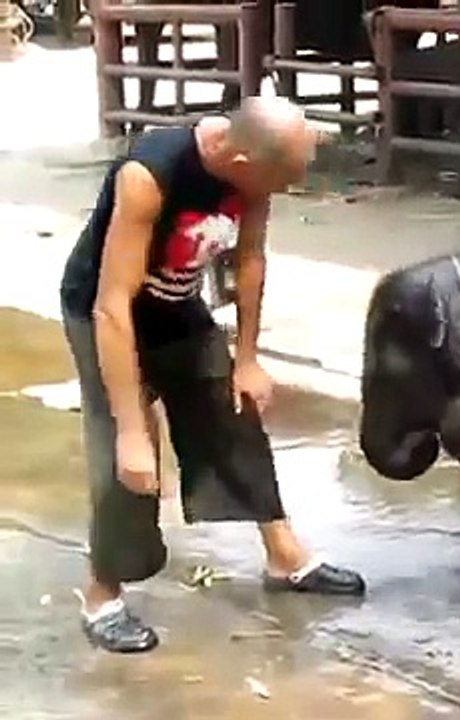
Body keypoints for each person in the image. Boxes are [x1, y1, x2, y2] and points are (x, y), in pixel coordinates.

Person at [59, 96, 366, 654]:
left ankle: (284, 557)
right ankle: (101, 596)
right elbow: (111, 307)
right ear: (243, 163)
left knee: (234, 411)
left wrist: (246, 360)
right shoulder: (150, 175)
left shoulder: (254, 174)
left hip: (178, 308)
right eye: (281, 180)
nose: (284, 191)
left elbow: (249, 260)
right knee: (126, 458)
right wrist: (132, 426)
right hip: (106, 314)